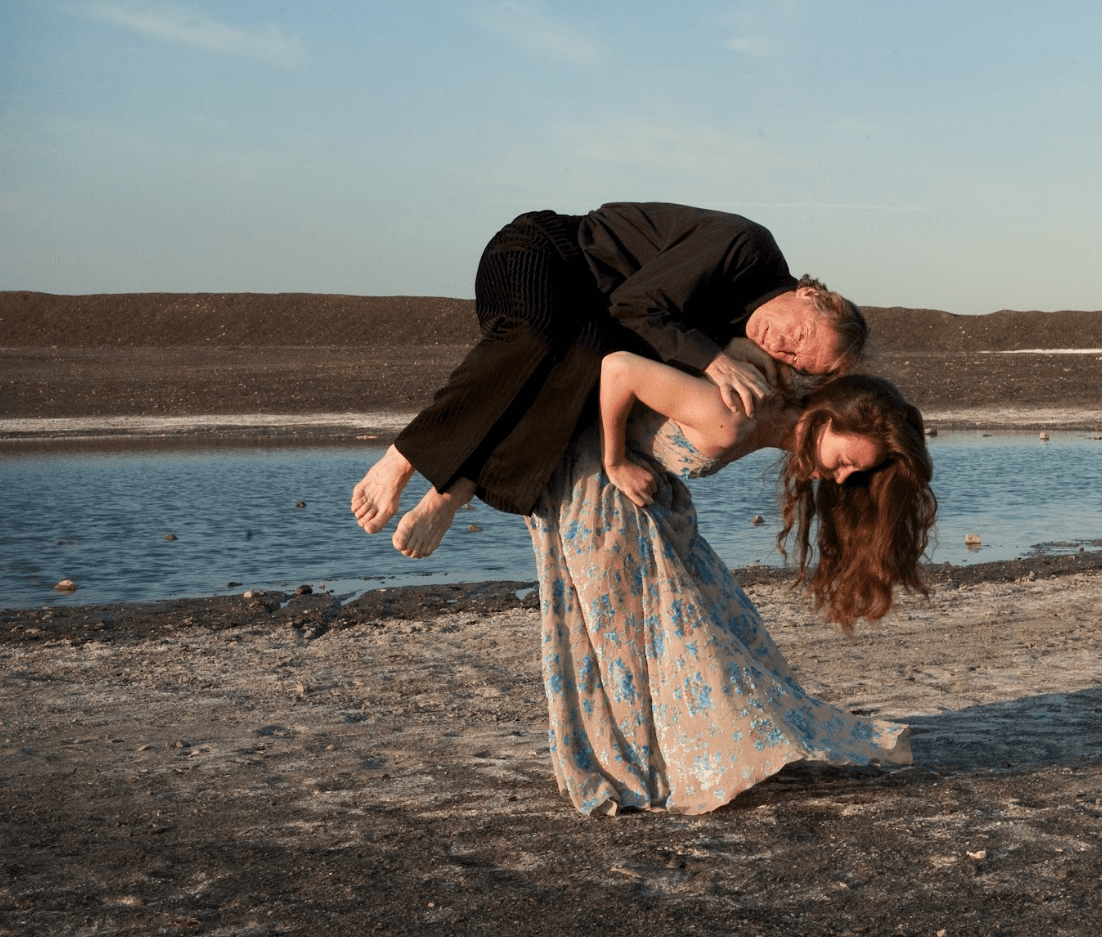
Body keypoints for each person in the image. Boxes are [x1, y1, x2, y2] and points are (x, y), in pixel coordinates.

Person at [527, 350, 936, 815]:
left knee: (722, 627)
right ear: (825, 420)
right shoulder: (732, 418)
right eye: (844, 460)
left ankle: (669, 762)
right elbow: (618, 367)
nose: (841, 478)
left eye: (853, 473)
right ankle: (637, 772)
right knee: (628, 643)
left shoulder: (766, 418)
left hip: (638, 498)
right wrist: (616, 460)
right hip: (596, 493)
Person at [349, 204, 867, 558]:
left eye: (798, 361)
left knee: (585, 369)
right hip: (542, 252)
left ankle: (454, 491)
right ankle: (404, 458)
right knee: (539, 336)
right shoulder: (746, 247)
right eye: (799, 336)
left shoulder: (745, 337)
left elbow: (628, 351)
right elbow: (633, 304)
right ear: (811, 296)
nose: (782, 348)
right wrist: (712, 362)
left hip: (588, 320)